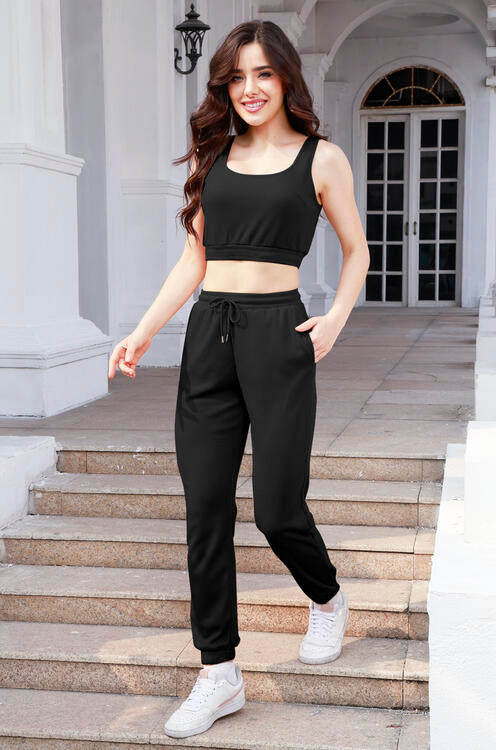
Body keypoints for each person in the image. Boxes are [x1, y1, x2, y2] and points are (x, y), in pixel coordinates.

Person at [108, 19, 370, 742]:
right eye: (236, 77)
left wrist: (336, 318)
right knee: (205, 510)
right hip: (209, 337)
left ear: (285, 78)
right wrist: (144, 329)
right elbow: (194, 261)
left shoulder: (322, 159)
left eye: (263, 74)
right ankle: (218, 670)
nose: (249, 89)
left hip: (280, 335)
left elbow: (357, 250)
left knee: (278, 509)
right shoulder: (215, 155)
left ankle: (327, 600)